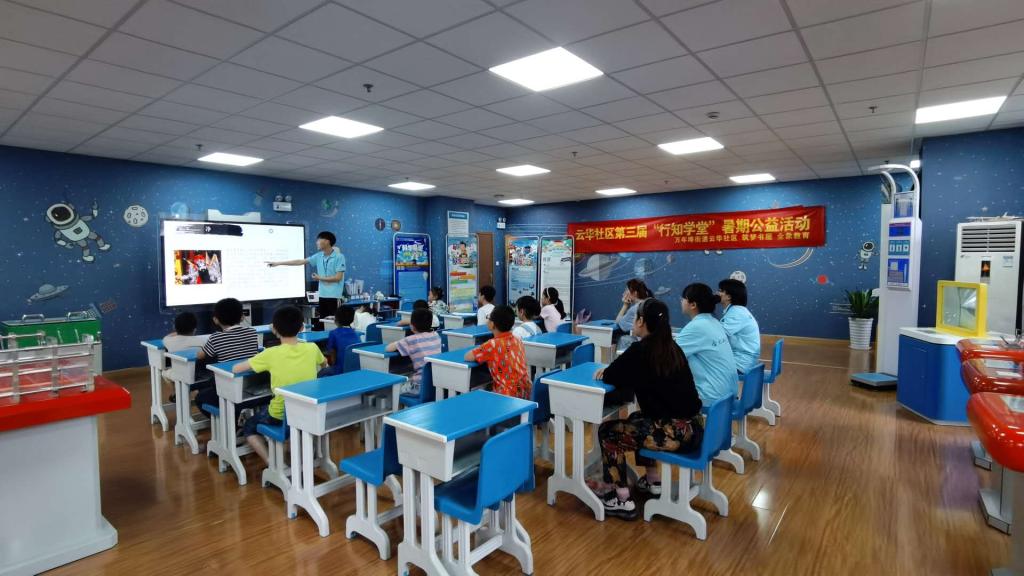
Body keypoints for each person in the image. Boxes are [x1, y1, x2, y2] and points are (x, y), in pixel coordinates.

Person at [592, 298, 703, 520]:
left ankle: (621, 498)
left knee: (607, 432)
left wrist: (607, 371)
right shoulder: (672, 347)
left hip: (673, 434)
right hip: (694, 428)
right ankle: (653, 480)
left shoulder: (640, 350)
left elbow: (612, 374)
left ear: (641, 321)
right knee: (638, 418)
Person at [233, 306, 326, 464]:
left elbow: (236, 369)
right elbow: (324, 363)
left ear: (274, 330)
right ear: (302, 328)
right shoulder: (312, 348)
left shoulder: (270, 353)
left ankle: (272, 463)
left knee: (249, 426)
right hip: (308, 411)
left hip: (280, 415)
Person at [266, 231, 345, 330]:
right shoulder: (319, 256)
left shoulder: (339, 257)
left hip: (334, 296)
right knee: (322, 323)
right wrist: (278, 263)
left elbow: (338, 277)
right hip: (322, 295)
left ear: (327, 241)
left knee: (334, 324)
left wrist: (319, 278)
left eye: (318, 240)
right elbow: (300, 261)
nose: (316, 243)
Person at [194, 298, 260, 415]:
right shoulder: (252, 332)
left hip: (228, 384)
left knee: (200, 397)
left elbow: (201, 356)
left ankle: (229, 419)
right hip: (252, 383)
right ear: (242, 317)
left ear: (216, 320)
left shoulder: (216, 338)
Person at [675, 283, 738, 402]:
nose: (681, 301)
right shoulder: (714, 322)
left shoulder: (697, 326)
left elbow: (668, 356)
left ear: (693, 305)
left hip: (713, 396)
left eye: (683, 298)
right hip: (728, 393)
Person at [464, 305, 532, 399]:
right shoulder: (517, 339)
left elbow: (467, 356)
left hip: (508, 395)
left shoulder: (492, 345)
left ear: (492, 324)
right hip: (526, 391)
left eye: (489, 318)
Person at [387, 308, 442, 396]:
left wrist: (399, 341)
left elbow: (388, 348)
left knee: (393, 389)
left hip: (418, 386)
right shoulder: (436, 335)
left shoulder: (411, 340)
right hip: (435, 382)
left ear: (412, 325)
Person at [718, 278, 761, 373]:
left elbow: (716, 334)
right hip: (744, 361)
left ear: (729, 296)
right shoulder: (737, 310)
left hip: (740, 364)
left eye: (720, 291)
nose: (717, 293)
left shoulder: (736, 313)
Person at [320, 307, 361, 376]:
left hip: (340, 370)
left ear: (336, 319)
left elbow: (333, 357)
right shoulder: (357, 334)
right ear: (352, 319)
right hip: (355, 369)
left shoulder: (333, 333)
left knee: (321, 373)